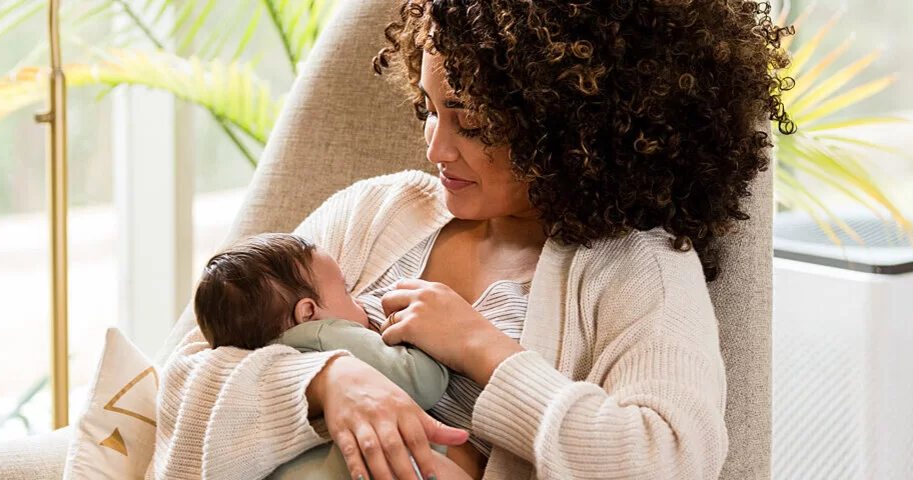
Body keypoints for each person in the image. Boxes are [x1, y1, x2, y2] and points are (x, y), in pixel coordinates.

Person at [150, 0, 790, 478]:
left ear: (571, 124)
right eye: (429, 108)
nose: (434, 146)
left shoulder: (638, 270)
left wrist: (482, 348)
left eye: (472, 119)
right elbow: (181, 382)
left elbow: (669, 457)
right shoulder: (377, 211)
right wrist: (326, 380)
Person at [184, 232, 472, 478]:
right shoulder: (329, 334)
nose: (359, 300)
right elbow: (420, 382)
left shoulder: (254, 357)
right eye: (346, 293)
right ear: (308, 311)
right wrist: (428, 337)